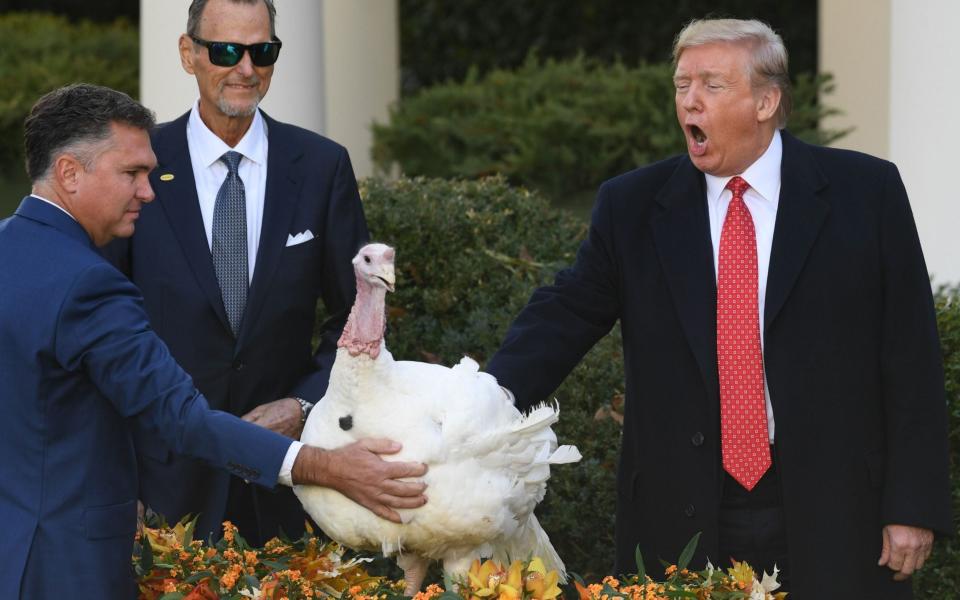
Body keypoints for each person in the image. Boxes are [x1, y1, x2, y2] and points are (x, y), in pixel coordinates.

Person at [486, 18, 952, 598]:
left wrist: (912, 504)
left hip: (836, 508)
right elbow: (565, 314)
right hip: (682, 509)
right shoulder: (631, 206)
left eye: (711, 84)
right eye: (682, 85)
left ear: (766, 101)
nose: (690, 100)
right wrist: (478, 401)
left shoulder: (867, 193)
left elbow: (909, 356)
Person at [0, 83, 426, 599]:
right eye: (131, 173)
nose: (149, 191)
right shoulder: (91, 284)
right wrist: (326, 466)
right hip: (66, 571)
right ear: (70, 173)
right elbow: (182, 420)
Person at [102, 0, 369, 545]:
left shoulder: (321, 166)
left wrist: (303, 404)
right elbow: (104, 330)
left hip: (287, 482)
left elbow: (360, 317)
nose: (246, 68)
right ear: (188, 53)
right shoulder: (139, 162)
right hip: (162, 484)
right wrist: (113, 478)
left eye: (262, 51)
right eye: (226, 50)